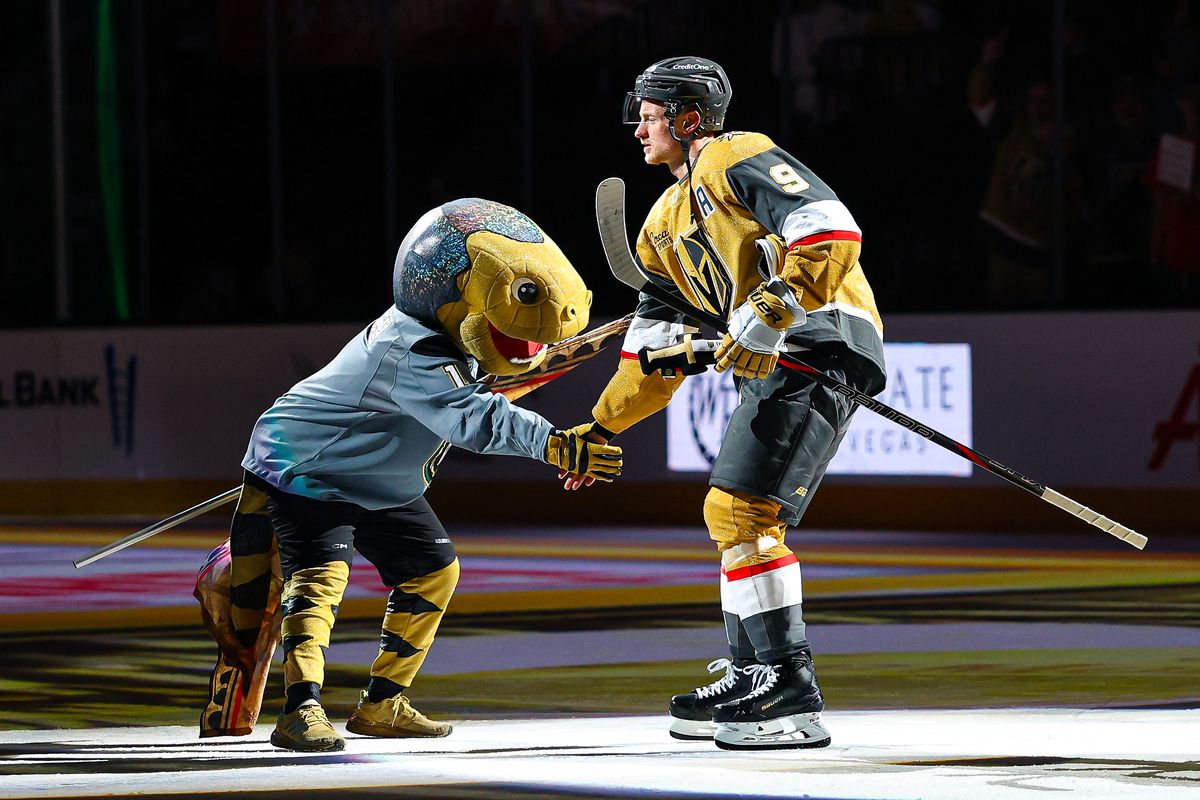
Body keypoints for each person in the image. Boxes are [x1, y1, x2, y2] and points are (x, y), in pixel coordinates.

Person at [562, 57, 885, 750]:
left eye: (649, 116)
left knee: (742, 510)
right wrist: (600, 426)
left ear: (687, 118)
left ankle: (788, 691)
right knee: (733, 514)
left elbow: (831, 229)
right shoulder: (659, 227)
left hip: (817, 340)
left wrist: (774, 307)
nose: (639, 129)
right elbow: (651, 359)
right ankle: (751, 673)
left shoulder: (737, 153)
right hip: (783, 352)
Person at [225, 198, 622, 752]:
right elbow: (471, 417)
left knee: (433, 571)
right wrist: (552, 443)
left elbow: (480, 391)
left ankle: (382, 704)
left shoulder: (452, 342)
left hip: (380, 478)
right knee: (320, 579)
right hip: (309, 467)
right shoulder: (411, 349)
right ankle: (300, 711)